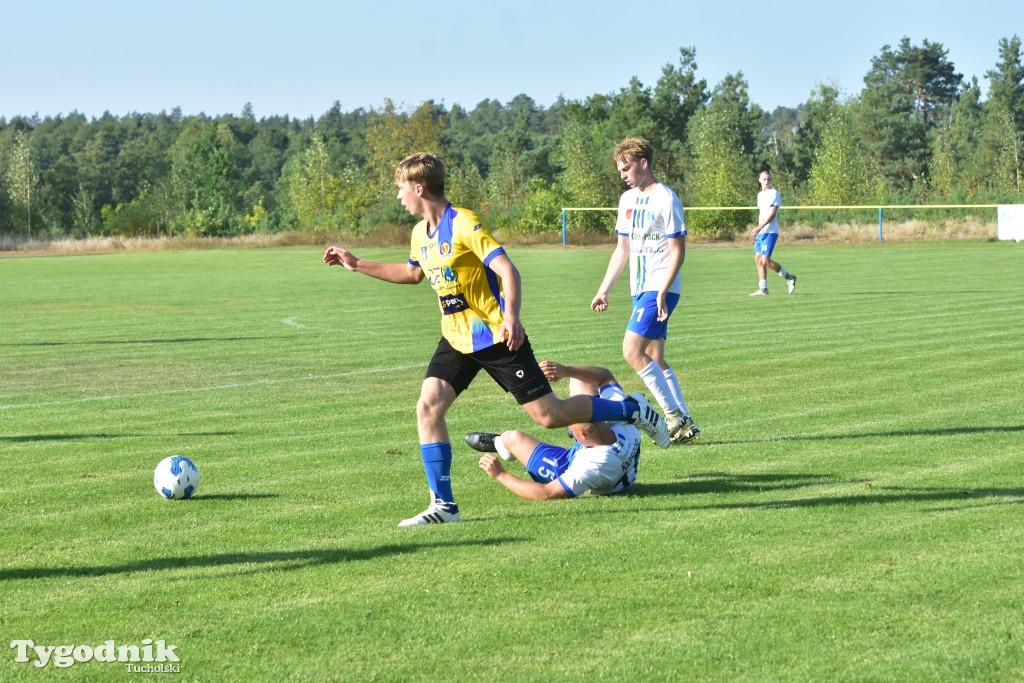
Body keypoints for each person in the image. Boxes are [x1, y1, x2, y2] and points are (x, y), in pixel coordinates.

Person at [323, 152, 669, 527]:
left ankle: (629, 411)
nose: (398, 196)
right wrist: (357, 265)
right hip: (456, 339)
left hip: (495, 336)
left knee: (549, 416)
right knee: (428, 407)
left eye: (401, 188)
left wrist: (512, 318)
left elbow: (507, 269)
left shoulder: (465, 223)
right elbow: (410, 273)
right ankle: (444, 505)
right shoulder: (420, 233)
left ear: (419, 188)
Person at [591, 137, 699, 445]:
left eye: (626, 168)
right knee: (654, 355)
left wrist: (663, 290)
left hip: (660, 286)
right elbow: (622, 249)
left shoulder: (666, 198)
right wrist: (604, 290)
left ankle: (673, 416)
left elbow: (678, 250)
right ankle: (685, 421)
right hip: (639, 288)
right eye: (619, 170)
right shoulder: (627, 200)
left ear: (644, 163)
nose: (623, 175)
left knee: (631, 351)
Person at [468, 361, 642, 500]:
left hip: (575, 465)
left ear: (582, 434)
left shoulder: (591, 467)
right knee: (581, 379)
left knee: (512, 438)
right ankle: (581, 422)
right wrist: (566, 371)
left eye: (569, 425)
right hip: (602, 448)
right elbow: (605, 376)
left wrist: (501, 475)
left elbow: (546, 493)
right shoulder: (622, 420)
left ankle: (501, 444)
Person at [749, 170, 797, 296]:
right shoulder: (760, 195)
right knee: (758, 259)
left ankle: (790, 278)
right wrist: (759, 230)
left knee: (765, 261)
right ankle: (763, 289)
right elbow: (762, 213)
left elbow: (772, 213)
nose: (766, 181)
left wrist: (760, 227)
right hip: (761, 232)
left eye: (768, 179)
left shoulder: (774, 194)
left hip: (770, 232)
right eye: (764, 179)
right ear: (759, 180)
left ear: (771, 180)